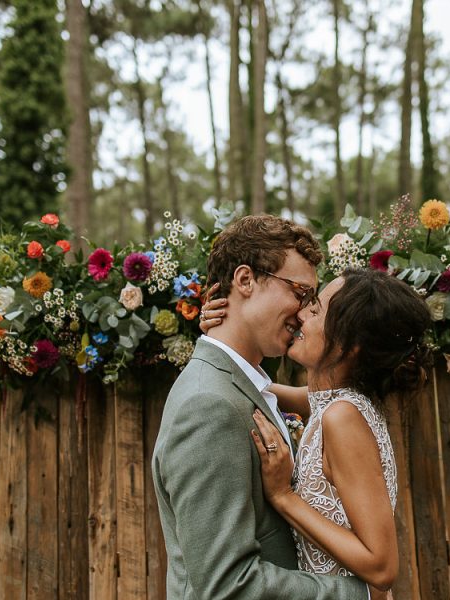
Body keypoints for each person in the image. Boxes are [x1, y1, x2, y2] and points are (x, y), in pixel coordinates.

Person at [151, 215, 370, 599]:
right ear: (246, 280)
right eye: (300, 292)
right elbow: (226, 587)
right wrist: (355, 594)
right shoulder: (208, 406)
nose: (305, 313)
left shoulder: (245, 383)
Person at [200, 268, 433, 599]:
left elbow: (382, 568)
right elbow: (259, 390)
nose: (301, 314)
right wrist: (223, 340)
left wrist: (284, 496)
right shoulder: (332, 403)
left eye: (317, 310)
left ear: (350, 346)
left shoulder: (343, 418)